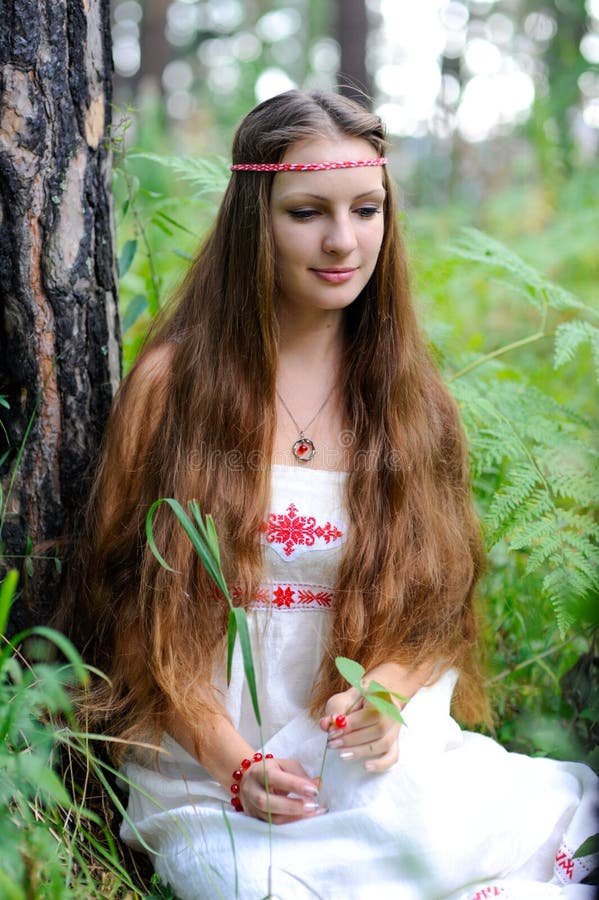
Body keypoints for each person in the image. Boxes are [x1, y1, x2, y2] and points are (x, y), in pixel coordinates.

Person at [64, 90, 598, 899]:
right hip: (209, 757)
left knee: (426, 835)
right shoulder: (174, 389)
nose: (343, 241)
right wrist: (229, 761)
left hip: (355, 740)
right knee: (261, 886)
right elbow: (133, 618)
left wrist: (386, 691)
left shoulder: (411, 401)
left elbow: (437, 600)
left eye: (366, 209)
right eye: (307, 212)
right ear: (255, 218)